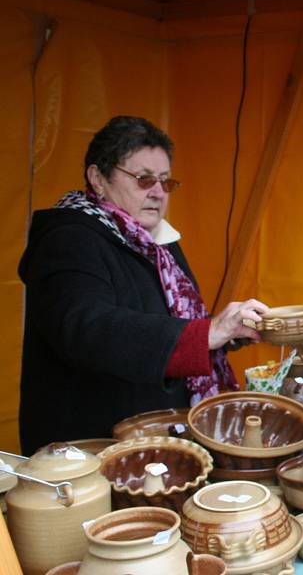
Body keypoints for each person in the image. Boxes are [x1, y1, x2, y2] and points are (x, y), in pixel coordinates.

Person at [18, 115, 267, 455]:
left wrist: (225, 335)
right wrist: (203, 334)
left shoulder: (159, 241)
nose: (157, 192)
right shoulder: (68, 240)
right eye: (143, 178)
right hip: (86, 451)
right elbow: (85, 327)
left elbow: (169, 320)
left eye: (165, 182)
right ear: (98, 178)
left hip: (155, 440)